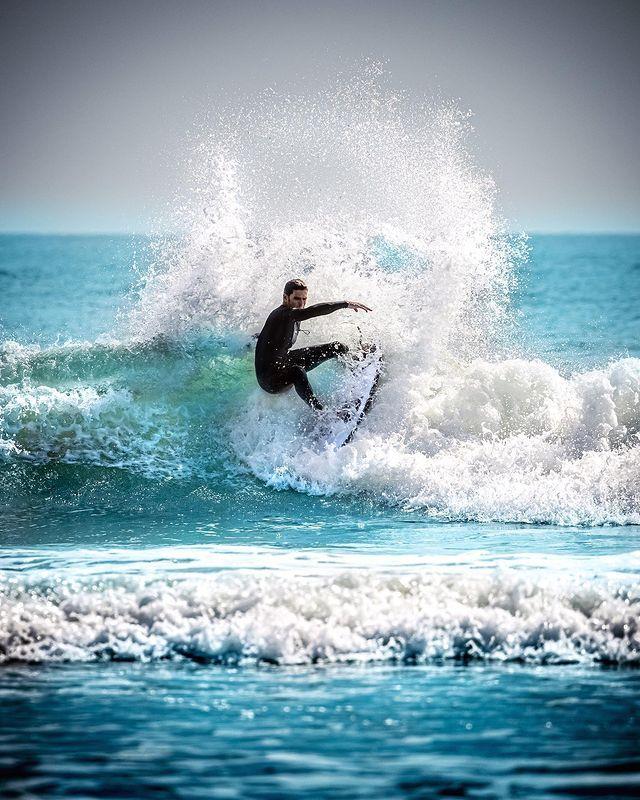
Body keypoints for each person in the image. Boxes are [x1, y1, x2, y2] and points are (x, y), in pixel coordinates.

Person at [255, 278, 371, 411]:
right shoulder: (283, 314)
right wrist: (345, 304)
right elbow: (314, 311)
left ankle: (357, 368)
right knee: (297, 372)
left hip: (284, 361)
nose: (301, 303)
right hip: (270, 380)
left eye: (304, 299)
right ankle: (319, 412)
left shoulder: (290, 315)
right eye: (297, 299)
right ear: (285, 297)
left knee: (337, 347)